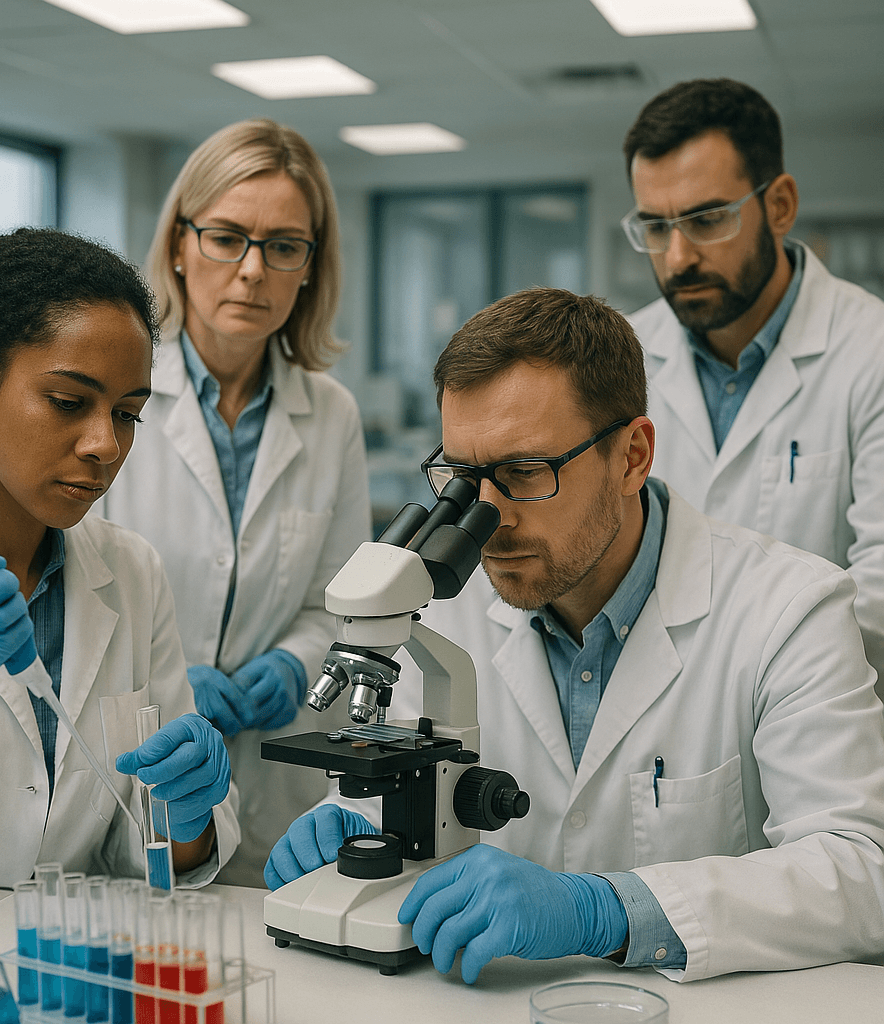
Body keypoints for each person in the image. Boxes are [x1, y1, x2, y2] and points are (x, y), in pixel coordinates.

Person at [264, 288, 884, 984]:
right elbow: (387, 780)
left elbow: (859, 874)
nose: (489, 518)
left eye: (525, 473)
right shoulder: (437, 608)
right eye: (463, 480)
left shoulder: (789, 610)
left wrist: (606, 909)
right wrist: (349, 826)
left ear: (632, 456)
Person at [0, 227, 238, 888]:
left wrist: (185, 814)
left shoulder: (133, 573)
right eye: (68, 402)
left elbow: (146, 853)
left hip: (71, 969)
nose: (104, 445)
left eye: (127, 414)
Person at [99, 119, 371, 886]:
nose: (252, 271)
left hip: (280, 780)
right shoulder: (114, 395)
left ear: (311, 268)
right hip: (142, 763)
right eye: (226, 238)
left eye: (284, 246)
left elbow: (343, 603)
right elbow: (72, 587)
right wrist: (172, 674)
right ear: (179, 247)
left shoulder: (333, 414)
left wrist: (296, 661)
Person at [620, 78, 884, 692]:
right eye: (656, 228)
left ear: (781, 205)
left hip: (828, 715)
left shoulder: (870, 349)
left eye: (707, 218)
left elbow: (879, 589)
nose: (678, 256)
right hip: (650, 722)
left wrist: (731, 684)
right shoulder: (619, 358)